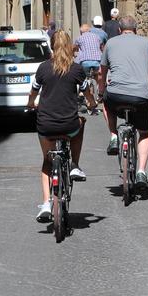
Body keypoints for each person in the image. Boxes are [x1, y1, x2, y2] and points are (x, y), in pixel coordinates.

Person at [27, 30, 96, 222]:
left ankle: (47, 203)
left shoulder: (42, 68)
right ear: (69, 47)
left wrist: (30, 104)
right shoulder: (76, 69)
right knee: (81, 123)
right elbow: (87, 94)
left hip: (46, 125)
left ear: (51, 46)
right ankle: (74, 165)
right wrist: (91, 104)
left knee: (47, 162)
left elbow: (33, 93)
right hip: (68, 124)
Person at [99, 15, 148, 189]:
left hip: (116, 95)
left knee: (106, 104)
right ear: (136, 29)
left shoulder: (110, 43)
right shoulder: (146, 43)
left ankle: (113, 136)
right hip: (140, 97)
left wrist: (102, 90)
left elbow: (102, 71)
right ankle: (141, 171)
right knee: (145, 133)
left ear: (119, 30)